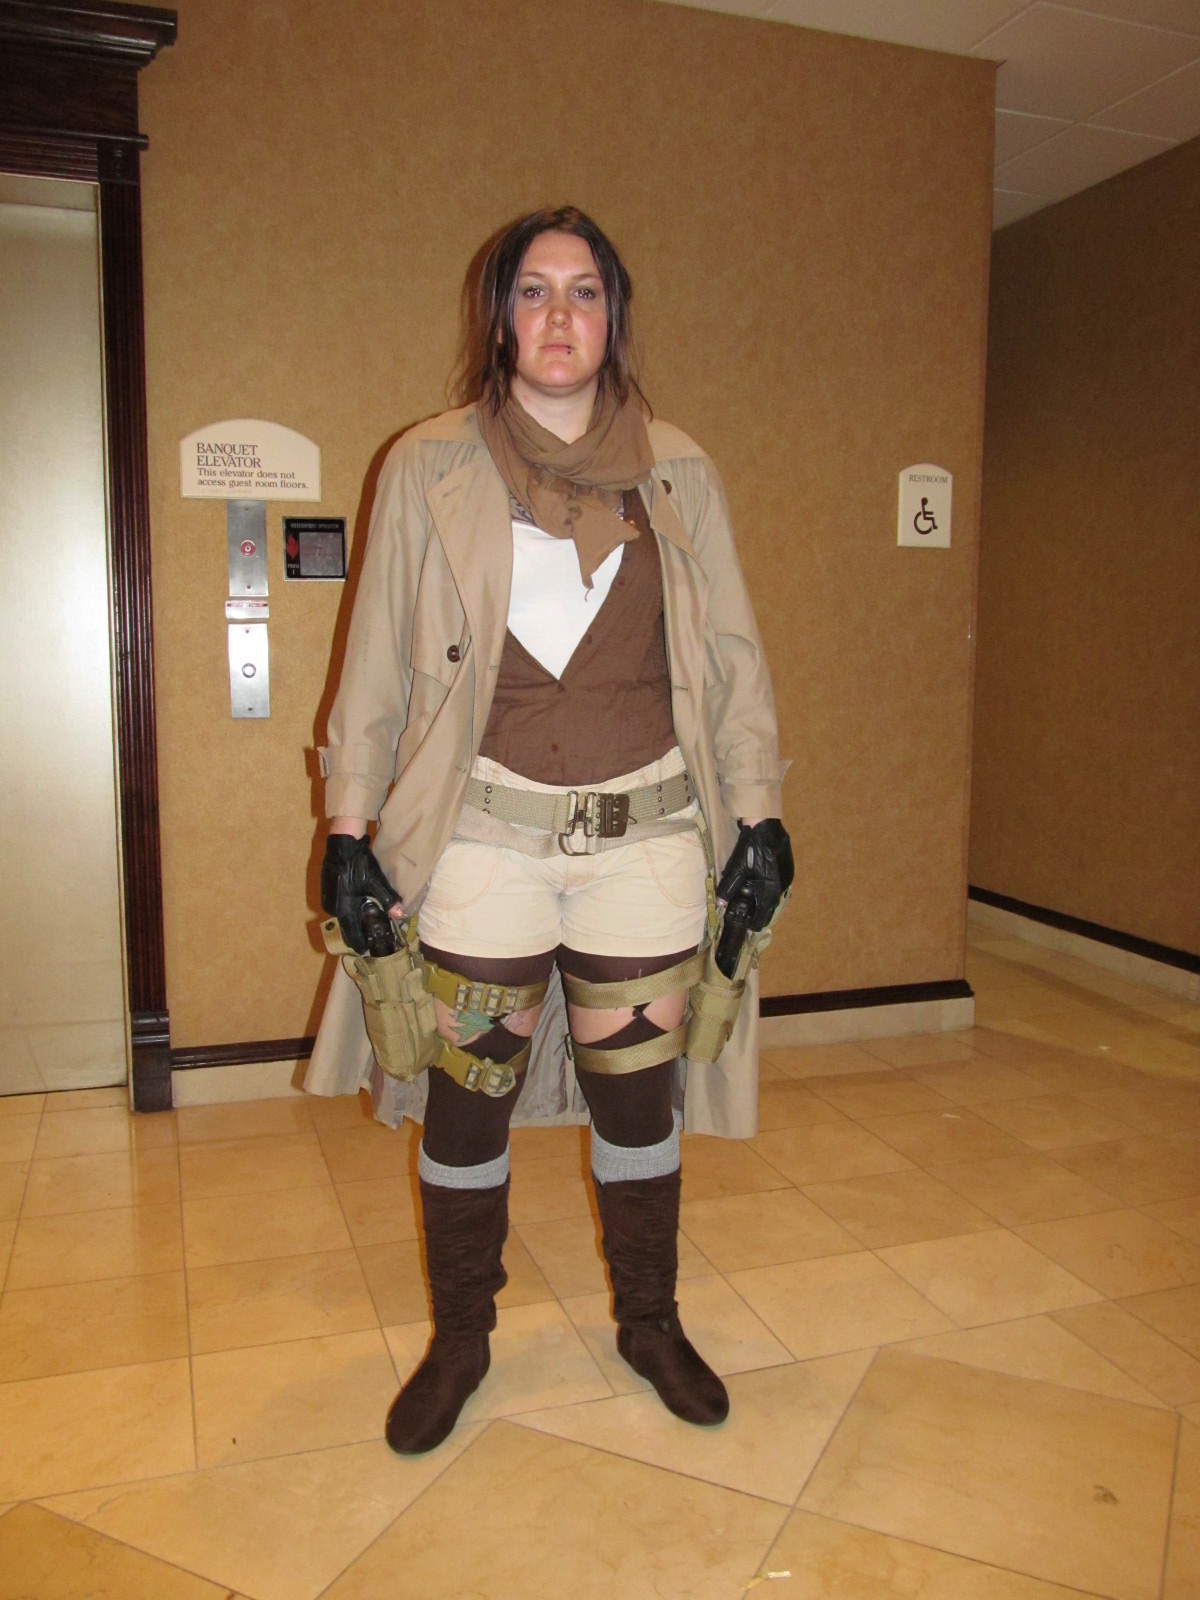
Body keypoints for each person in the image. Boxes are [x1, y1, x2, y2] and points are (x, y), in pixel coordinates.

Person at [307, 206, 791, 1455]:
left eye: (584, 290)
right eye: (534, 290)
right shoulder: (429, 465)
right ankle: (462, 1336)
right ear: (501, 316)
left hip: (646, 842)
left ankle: (651, 1322)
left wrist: (761, 813)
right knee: (467, 1101)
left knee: (640, 1105)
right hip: (481, 843)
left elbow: (731, 657)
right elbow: (375, 662)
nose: (560, 313)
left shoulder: (678, 469)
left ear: (614, 316)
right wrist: (349, 828)